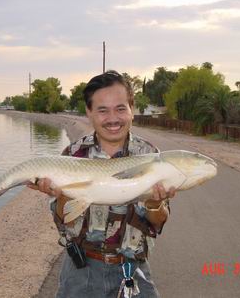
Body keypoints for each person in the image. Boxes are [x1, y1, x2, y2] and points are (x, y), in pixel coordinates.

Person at [28, 70, 176, 297]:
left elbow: (157, 223)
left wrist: (155, 204)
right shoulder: (73, 154)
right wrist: (61, 196)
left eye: (120, 108)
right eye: (102, 110)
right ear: (89, 112)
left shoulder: (150, 156)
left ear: (132, 109)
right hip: (81, 272)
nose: (113, 119)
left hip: (132, 270)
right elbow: (63, 219)